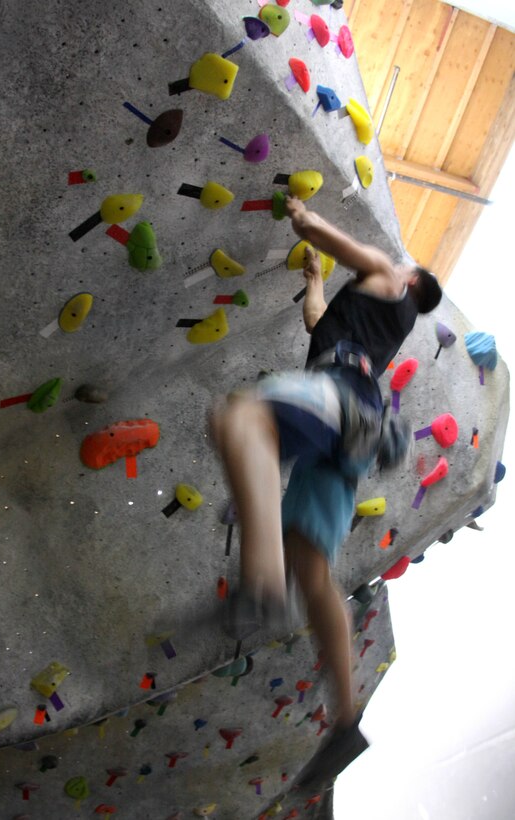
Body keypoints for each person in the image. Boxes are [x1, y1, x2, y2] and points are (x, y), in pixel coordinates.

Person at [210, 196, 442, 777]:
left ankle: (261, 582)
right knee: (312, 573)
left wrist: (302, 212)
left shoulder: (390, 273)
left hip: (338, 404)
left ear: (410, 278)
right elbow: (319, 322)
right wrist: (315, 277)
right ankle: (344, 721)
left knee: (238, 418)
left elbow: (318, 228)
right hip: (353, 431)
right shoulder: (379, 325)